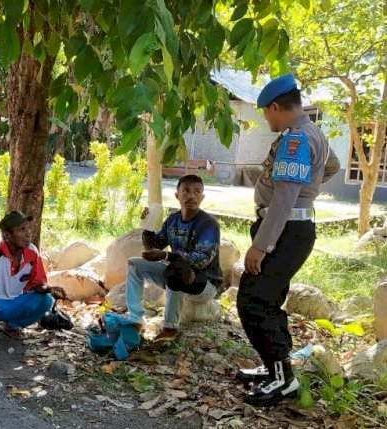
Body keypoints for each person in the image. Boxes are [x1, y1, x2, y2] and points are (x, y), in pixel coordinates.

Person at [236, 73, 340, 407]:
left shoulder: (295, 139)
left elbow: (284, 198)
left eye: (266, 112)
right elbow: (333, 165)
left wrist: (260, 246)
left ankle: (284, 380)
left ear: (277, 107)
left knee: (253, 302)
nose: (266, 118)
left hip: (284, 231)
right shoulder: (314, 133)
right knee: (268, 300)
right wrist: (310, 186)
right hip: (291, 229)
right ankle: (275, 370)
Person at [125, 174, 222, 343]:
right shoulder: (173, 220)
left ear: (202, 197)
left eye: (197, 191)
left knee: (177, 269)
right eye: (186, 191)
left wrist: (167, 255)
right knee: (134, 264)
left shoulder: (209, 224)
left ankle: (170, 328)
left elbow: (203, 258)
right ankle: (136, 320)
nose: (191, 196)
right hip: (177, 276)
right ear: (177, 195)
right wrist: (147, 226)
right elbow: (154, 247)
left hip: (204, 285)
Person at [0, 211, 67, 344]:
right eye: (22, 229)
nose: (28, 233)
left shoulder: (32, 252)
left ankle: (11, 325)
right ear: (7, 235)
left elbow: (38, 284)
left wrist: (50, 289)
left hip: (16, 301)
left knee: (46, 300)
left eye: (28, 229)